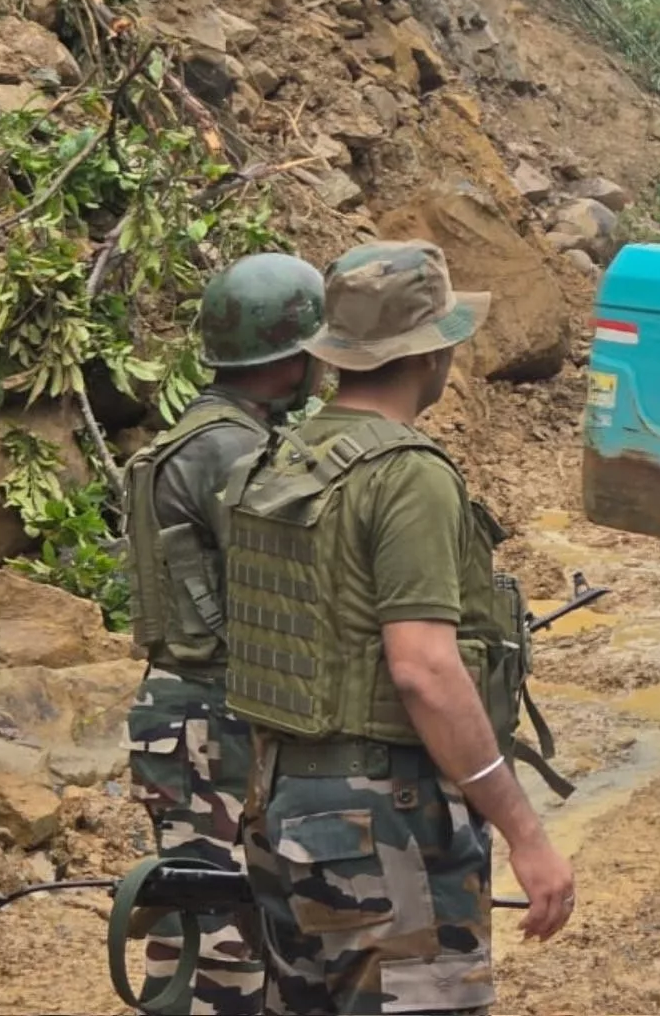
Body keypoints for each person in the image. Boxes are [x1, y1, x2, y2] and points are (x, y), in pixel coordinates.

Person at [225, 241, 574, 1015]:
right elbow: (424, 669)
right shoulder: (408, 475)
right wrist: (525, 832)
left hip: (282, 810)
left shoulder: (279, 460)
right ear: (430, 352)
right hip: (384, 826)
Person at [123, 251, 326, 1016]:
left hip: (197, 710)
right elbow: (288, 587)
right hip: (210, 714)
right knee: (215, 944)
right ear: (292, 357)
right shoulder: (232, 451)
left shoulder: (213, 436)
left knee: (224, 920)